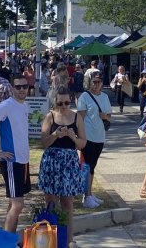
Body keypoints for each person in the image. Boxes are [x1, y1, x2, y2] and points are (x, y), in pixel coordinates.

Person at [0, 74, 30, 232]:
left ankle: (11, 239)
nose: (22, 89)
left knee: (13, 204)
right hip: (11, 160)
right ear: (12, 88)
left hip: (23, 160)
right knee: (18, 204)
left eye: (24, 86)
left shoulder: (24, 105)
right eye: (18, 86)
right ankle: (6, 243)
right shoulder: (6, 106)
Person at [39, 86, 87, 247]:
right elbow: (43, 142)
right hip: (51, 161)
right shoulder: (50, 117)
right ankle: (51, 241)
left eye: (67, 103)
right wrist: (55, 135)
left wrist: (73, 137)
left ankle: (68, 240)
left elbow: (82, 144)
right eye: (60, 103)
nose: (64, 106)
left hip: (69, 162)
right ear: (55, 102)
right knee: (51, 203)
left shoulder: (76, 117)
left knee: (68, 203)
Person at [77, 71, 111, 209]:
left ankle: (89, 193)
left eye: (98, 82)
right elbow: (80, 117)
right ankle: (87, 195)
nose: (96, 85)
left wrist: (105, 117)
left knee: (93, 166)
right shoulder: (85, 96)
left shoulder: (105, 97)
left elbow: (109, 116)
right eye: (94, 82)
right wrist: (80, 137)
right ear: (89, 83)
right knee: (88, 166)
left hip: (100, 136)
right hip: (88, 136)